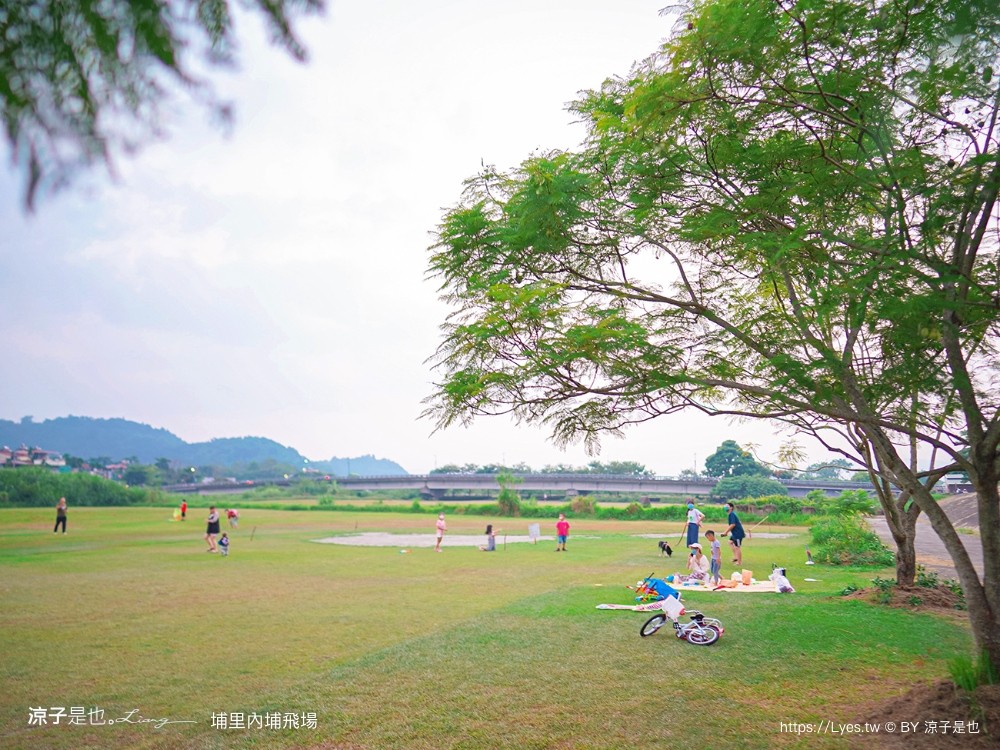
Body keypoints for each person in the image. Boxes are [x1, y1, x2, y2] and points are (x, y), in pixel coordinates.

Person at [721, 502, 746, 566]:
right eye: (725, 505)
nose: (725, 507)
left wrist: (725, 532)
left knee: (737, 547)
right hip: (734, 533)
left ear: (731, 508)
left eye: (727, 506)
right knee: (730, 542)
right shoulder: (730, 514)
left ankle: (739, 562)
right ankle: (735, 557)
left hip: (738, 533)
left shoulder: (732, 514)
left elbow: (732, 525)